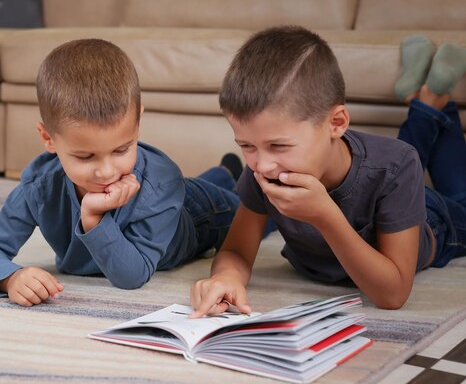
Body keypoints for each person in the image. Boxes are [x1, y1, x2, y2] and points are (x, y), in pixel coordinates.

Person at [190, 27, 466, 315]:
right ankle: (427, 100)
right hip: (389, 178)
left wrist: (325, 216)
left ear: (336, 123)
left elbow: (393, 295)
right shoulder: (264, 169)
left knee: (454, 192)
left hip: (437, 223)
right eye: (246, 145)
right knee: (394, 162)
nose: (261, 164)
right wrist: (226, 277)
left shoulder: (395, 168)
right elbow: (236, 250)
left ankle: (432, 99)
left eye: (279, 145)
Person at [0, 38, 253, 307]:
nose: (106, 172)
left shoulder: (163, 183)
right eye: (85, 156)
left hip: (197, 215)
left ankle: (228, 175)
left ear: (138, 123)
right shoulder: (40, 186)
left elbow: (132, 275)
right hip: (175, 195)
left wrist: (94, 219)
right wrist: (10, 277)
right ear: (48, 138)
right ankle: (224, 171)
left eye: (121, 150)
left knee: (259, 208)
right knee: (201, 185)